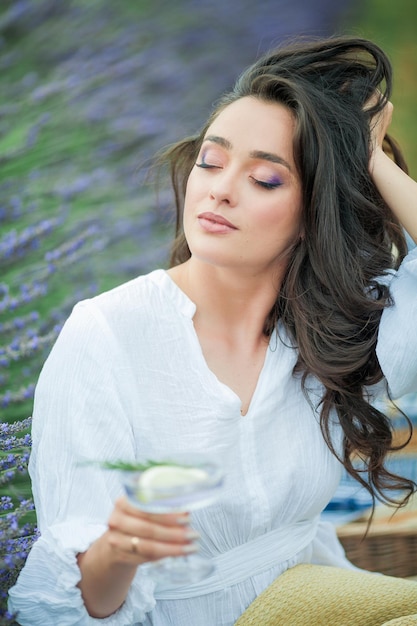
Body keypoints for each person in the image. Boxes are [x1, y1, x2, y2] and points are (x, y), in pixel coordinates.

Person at [8, 36, 417, 625]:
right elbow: (79, 607)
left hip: (308, 598)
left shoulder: (329, 335)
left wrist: (369, 158)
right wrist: (122, 547)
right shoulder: (107, 336)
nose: (220, 189)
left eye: (266, 180)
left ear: (311, 215)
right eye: (211, 159)